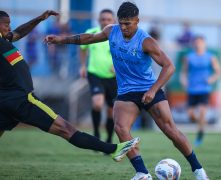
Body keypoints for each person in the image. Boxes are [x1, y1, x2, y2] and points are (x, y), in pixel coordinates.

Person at [45, 2, 209, 180]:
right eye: (121, 23)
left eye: (128, 23)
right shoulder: (111, 31)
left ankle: (198, 171)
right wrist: (62, 40)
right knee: (120, 128)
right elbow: (89, 38)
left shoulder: (146, 41)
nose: (123, 27)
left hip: (148, 89)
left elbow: (169, 66)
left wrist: (153, 90)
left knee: (170, 130)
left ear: (137, 21)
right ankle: (142, 173)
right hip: (126, 92)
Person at [0, 10, 140, 163]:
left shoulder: (4, 40)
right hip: (21, 100)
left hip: (6, 100)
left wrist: (39, 19)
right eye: (6, 24)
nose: (9, 27)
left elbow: (18, 33)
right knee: (65, 128)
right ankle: (114, 149)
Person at [79, 9, 116, 144]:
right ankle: (96, 133)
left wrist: (117, 66)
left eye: (108, 19)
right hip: (95, 74)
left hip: (113, 78)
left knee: (112, 111)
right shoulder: (92, 32)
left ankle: (109, 139)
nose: (105, 22)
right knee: (98, 104)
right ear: (99, 20)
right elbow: (82, 48)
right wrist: (83, 65)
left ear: (114, 21)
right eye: (103, 19)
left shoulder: (118, 36)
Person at [181, 36, 221, 146]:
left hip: (204, 89)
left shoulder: (210, 57)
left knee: (203, 113)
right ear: (194, 44)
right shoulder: (189, 57)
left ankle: (200, 135)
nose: (198, 45)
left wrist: (211, 79)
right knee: (190, 115)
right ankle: (203, 123)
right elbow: (184, 72)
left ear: (204, 44)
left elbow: (218, 71)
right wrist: (184, 80)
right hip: (192, 89)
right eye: (197, 43)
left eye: (200, 43)